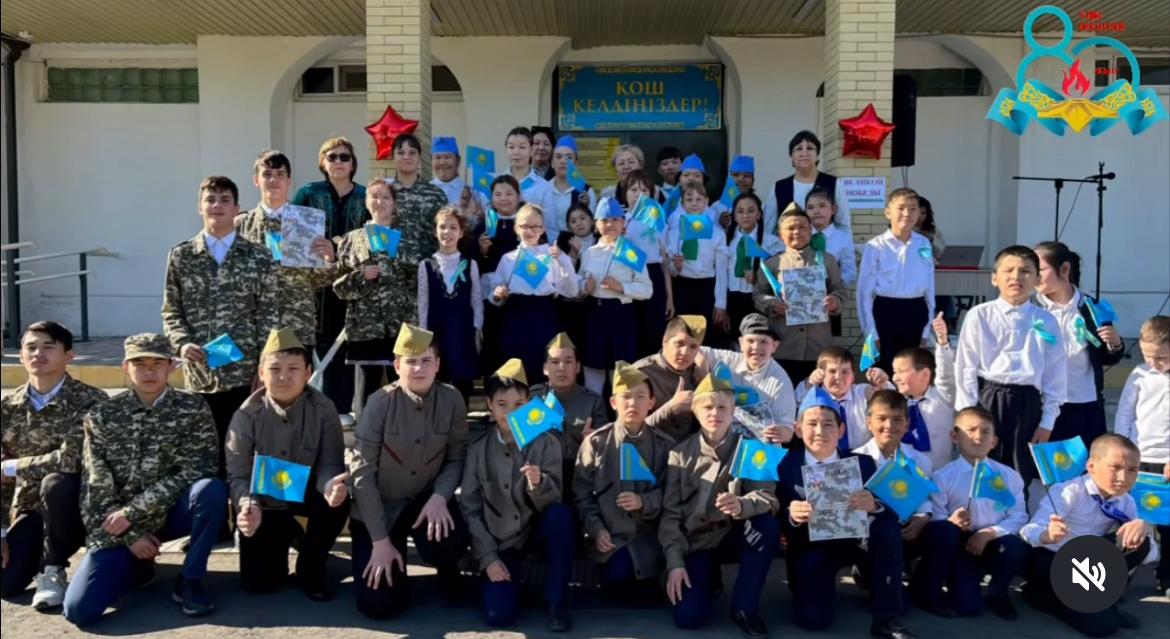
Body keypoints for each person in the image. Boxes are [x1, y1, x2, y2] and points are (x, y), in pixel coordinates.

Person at [62, 334, 226, 626]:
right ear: (126, 367)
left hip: (170, 514)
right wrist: (130, 535)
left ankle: (190, 579)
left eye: (157, 363)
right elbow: (95, 484)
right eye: (139, 363)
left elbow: (199, 468)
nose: (149, 371)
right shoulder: (103, 414)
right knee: (79, 611)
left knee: (210, 491)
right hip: (120, 527)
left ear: (171, 366)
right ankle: (139, 566)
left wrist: (132, 512)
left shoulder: (192, 407)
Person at [347, 323, 470, 619]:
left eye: (426, 360)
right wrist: (379, 540)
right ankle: (392, 557)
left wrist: (440, 497)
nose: (419, 368)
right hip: (381, 507)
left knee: (449, 540)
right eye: (411, 361)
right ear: (397, 366)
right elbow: (362, 475)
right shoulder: (379, 403)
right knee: (378, 605)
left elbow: (457, 457)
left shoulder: (452, 399)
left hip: (424, 501)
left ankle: (447, 570)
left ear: (438, 364)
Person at [162, 175, 279, 474]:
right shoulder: (182, 256)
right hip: (200, 374)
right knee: (204, 457)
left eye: (225, 200)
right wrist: (182, 344)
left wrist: (264, 366)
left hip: (245, 375)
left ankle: (242, 503)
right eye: (210, 200)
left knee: (244, 454)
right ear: (199, 207)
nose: (217, 205)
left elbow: (269, 316)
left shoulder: (258, 256)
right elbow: (172, 311)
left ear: (237, 208)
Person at [778, 388, 916, 639]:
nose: (820, 431)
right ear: (798, 429)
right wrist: (791, 514)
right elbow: (775, 515)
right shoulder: (784, 465)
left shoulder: (863, 463)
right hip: (812, 547)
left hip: (856, 543)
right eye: (811, 424)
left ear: (841, 430)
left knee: (885, 529)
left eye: (828, 424)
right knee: (813, 619)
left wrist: (874, 505)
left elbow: (891, 512)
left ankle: (887, 619)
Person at [225, 328, 349, 601]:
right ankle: (289, 532)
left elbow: (330, 461)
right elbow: (238, 475)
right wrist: (248, 505)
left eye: (293, 368)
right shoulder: (245, 416)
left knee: (339, 501)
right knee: (259, 584)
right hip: (266, 500)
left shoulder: (324, 409)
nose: (283, 376)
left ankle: (311, 566)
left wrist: (329, 486)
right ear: (261, 373)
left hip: (306, 489)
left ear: (307, 373)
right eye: (275, 369)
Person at [659, 374, 780, 638]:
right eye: (707, 407)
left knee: (766, 527)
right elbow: (670, 516)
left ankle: (745, 607)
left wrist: (742, 505)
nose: (715, 413)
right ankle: (708, 578)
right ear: (695, 412)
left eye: (722, 407)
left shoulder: (752, 450)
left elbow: (769, 498)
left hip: (732, 534)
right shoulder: (679, 454)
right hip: (697, 542)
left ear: (733, 411)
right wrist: (675, 563)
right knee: (688, 618)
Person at [460, 359, 574, 632]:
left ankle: (556, 602)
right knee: (497, 615)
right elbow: (470, 507)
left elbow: (553, 500)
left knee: (561, 517)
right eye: (502, 404)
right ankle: (508, 584)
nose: (510, 413)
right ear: (489, 404)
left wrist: (539, 482)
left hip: (535, 531)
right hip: (502, 540)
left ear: (529, 404)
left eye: (518, 404)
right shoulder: (478, 450)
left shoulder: (545, 442)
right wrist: (488, 557)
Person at [1, 321, 105, 608]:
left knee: (56, 482)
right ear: (20, 356)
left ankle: (52, 568)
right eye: (31, 348)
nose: (38, 354)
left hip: (80, 507)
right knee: (6, 584)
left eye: (48, 347)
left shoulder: (92, 401)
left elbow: (70, 459)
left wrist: (11, 467)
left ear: (69, 355)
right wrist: (1, 532)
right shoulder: (7, 407)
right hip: (32, 508)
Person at [1020, 434, 1158, 636]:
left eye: (1132, 470)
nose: (1123, 478)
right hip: (1053, 562)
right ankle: (1042, 596)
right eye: (1115, 467)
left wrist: (1143, 527)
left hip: (1085, 563)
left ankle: (1103, 601)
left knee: (1139, 540)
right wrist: (1047, 535)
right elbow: (1027, 531)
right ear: (1091, 466)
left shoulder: (1125, 501)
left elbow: (1149, 555)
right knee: (1104, 626)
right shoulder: (1068, 491)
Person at [954, 245, 1067, 486]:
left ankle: (1017, 511)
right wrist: (966, 414)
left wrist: (1047, 422)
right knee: (981, 471)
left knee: (1018, 473)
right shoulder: (979, 315)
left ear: (1037, 279)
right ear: (995, 278)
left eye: (1025, 271)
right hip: (988, 397)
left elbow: (1055, 375)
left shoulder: (1046, 320)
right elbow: (965, 367)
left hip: (1027, 402)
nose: (1016, 277)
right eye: (1008, 270)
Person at [912, 406, 1028, 620]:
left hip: (993, 542)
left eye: (985, 432)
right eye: (971, 430)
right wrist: (951, 521)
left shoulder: (1008, 476)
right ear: (955, 437)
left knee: (1014, 546)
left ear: (993, 442)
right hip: (960, 544)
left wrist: (989, 533)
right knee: (968, 607)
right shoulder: (942, 477)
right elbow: (935, 515)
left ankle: (998, 593)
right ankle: (940, 581)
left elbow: (1019, 516)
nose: (978, 436)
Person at [574, 362, 674, 596]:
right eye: (626, 397)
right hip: (612, 537)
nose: (632, 403)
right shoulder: (596, 442)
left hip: (648, 537)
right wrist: (597, 529)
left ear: (651, 403)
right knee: (617, 578)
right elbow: (581, 494)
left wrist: (644, 502)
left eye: (640, 397)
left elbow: (672, 495)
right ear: (613, 402)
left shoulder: (665, 446)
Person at [292, 136, 370, 413]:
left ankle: (343, 411)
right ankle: (318, 412)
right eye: (332, 157)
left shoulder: (365, 197)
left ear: (353, 164)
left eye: (344, 157)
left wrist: (338, 251)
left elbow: (372, 241)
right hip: (317, 289)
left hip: (354, 287)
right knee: (319, 350)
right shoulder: (308, 193)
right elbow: (294, 237)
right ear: (322, 162)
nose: (338, 162)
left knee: (348, 349)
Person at [235, 150, 339, 349]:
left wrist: (330, 260)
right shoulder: (241, 225)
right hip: (253, 329)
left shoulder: (307, 221)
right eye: (267, 174)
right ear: (256, 180)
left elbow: (318, 279)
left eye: (280, 174)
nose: (273, 180)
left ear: (289, 180)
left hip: (296, 324)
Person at [1033, 241, 1125, 449]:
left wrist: (1115, 344)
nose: (1034, 277)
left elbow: (1107, 357)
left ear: (1065, 269)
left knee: (1087, 463)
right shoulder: (1031, 309)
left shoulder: (1092, 307)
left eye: (1040, 270)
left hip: (1085, 403)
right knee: (1046, 465)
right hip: (1044, 405)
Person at [333, 178, 416, 403]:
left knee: (402, 386)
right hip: (365, 327)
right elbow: (338, 287)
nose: (380, 202)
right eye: (374, 197)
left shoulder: (408, 239)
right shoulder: (351, 240)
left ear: (394, 203)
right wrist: (361, 276)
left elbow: (417, 283)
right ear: (366, 201)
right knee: (368, 390)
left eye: (386, 197)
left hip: (400, 326)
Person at [753, 205, 845, 385]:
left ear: (810, 231)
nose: (797, 232)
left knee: (816, 394)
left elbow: (840, 290)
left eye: (802, 227)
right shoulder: (771, 264)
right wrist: (771, 304)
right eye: (791, 228)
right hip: (784, 344)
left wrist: (834, 301)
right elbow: (758, 295)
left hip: (818, 345)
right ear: (780, 235)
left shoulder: (827, 260)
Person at [488, 203, 579, 384]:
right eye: (524, 226)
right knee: (516, 366)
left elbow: (572, 291)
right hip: (516, 315)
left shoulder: (553, 256)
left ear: (543, 228)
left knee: (543, 366)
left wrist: (564, 260)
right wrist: (498, 294)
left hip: (544, 314)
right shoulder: (508, 258)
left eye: (535, 226)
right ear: (516, 228)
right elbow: (494, 293)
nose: (530, 231)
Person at [1114, 315, 1170, 596]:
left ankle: (1166, 575)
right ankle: (1124, 572)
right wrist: (1124, 449)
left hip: (1167, 462)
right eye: (1148, 355)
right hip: (1139, 459)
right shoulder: (1139, 374)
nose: (1153, 362)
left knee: (1168, 523)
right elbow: (1125, 412)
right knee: (1134, 517)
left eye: (1161, 358)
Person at [577, 197, 653, 393]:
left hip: (621, 315)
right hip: (595, 314)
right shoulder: (589, 253)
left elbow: (647, 289)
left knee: (620, 373)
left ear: (623, 222)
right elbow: (579, 284)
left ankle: (619, 411)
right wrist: (585, 286)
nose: (609, 224)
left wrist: (621, 286)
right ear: (596, 224)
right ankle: (593, 410)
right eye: (604, 220)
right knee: (593, 369)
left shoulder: (632, 253)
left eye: (615, 220)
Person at [852, 390, 934, 570]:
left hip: (907, 531)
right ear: (869, 422)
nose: (889, 426)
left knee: (941, 532)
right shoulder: (854, 460)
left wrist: (922, 517)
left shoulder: (920, 461)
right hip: (871, 537)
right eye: (881, 419)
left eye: (897, 419)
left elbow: (924, 498)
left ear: (907, 424)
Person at [858, 188, 936, 374]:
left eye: (913, 209)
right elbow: (864, 292)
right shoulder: (875, 246)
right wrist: (871, 332)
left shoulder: (923, 243)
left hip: (916, 311)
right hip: (886, 311)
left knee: (912, 369)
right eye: (901, 208)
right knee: (886, 369)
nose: (907, 213)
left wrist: (927, 329)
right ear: (888, 212)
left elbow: (929, 285)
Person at [694, 313, 797, 445]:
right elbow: (695, 349)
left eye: (763, 342)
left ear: (774, 346)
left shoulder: (780, 381)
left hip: (758, 449)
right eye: (750, 341)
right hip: (723, 442)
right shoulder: (727, 359)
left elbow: (788, 430)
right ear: (741, 343)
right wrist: (702, 367)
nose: (756, 347)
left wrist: (779, 432)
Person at [530, 333, 609, 500]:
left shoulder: (593, 401)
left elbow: (607, 445)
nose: (561, 368)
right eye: (555, 362)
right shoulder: (532, 400)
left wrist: (594, 440)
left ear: (578, 367)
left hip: (581, 475)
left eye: (568, 362)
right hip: (543, 477)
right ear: (545, 368)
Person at [417, 205, 483, 402]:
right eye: (443, 227)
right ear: (435, 231)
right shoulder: (426, 265)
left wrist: (477, 328)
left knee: (461, 378)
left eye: (453, 227)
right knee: (439, 377)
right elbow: (423, 302)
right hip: (436, 331)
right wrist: (424, 335)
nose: (448, 232)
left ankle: (461, 417)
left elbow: (476, 300)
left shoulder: (470, 264)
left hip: (463, 331)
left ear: (461, 232)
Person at [795, 347, 891, 454]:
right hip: (826, 456)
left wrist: (883, 386)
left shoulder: (862, 393)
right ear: (821, 374)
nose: (838, 377)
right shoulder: (814, 395)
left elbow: (893, 402)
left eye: (845, 372)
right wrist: (810, 383)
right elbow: (797, 400)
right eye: (832, 371)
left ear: (853, 376)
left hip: (863, 455)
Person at [473, 174, 524, 376]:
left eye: (509, 193)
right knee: (493, 339)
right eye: (498, 194)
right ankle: (493, 386)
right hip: (491, 293)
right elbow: (472, 262)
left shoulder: (528, 222)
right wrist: (481, 250)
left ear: (518, 196)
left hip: (520, 289)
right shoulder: (484, 225)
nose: (504, 198)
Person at [621, 169, 675, 359]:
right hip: (626, 276)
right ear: (625, 193)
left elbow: (664, 261)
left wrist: (669, 297)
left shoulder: (658, 222)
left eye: (644, 190)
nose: (639, 194)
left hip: (653, 275)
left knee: (653, 334)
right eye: (634, 190)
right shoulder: (619, 220)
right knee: (630, 335)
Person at [717, 192, 782, 344]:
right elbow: (721, 275)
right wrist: (721, 306)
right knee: (735, 343)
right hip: (733, 299)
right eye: (740, 211)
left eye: (751, 211)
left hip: (758, 300)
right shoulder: (726, 239)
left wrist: (759, 277)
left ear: (759, 214)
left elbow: (780, 273)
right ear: (734, 216)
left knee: (758, 342)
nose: (745, 215)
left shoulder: (771, 242)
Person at [763, 130, 852, 238]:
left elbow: (843, 225)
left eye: (810, 148)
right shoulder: (780, 187)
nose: (804, 153)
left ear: (817, 155)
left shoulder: (833, 184)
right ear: (791, 156)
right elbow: (768, 229)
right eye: (799, 149)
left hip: (827, 246)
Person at [635, 315, 709, 442]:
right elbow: (632, 432)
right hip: (651, 447)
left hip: (689, 446)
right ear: (665, 341)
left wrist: (705, 381)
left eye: (693, 347)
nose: (685, 352)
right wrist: (671, 408)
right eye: (679, 344)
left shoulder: (697, 371)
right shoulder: (640, 374)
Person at [667, 182, 722, 345]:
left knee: (705, 335)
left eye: (699, 199)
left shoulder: (716, 233)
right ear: (682, 203)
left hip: (707, 287)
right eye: (689, 199)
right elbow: (670, 269)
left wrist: (721, 304)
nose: (694, 203)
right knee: (683, 332)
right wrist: (676, 266)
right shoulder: (675, 232)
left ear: (706, 202)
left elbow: (721, 270)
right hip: (683, 286)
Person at [891, 338, 958, 471]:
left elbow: (946, 376)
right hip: (904, 476)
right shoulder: (897, 401)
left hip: (939, 473)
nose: (895, 378)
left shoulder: (943, 397)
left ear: (924, 375)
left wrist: (943, 344)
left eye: (901, 371)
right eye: (894, 372)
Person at [501, 127, 559, 236]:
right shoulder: (497, 183)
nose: (516, 152)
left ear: (531, 150)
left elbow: (551, 228)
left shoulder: (543, 187)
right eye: (511, 147)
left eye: (522, 147)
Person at [429, 135, 489, 221]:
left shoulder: (474, 192)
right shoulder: (425, 191)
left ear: (458, 160)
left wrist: (480, 214)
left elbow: (491, 221)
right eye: (438, 158)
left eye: (447, 157)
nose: (442, 162)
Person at [548, 135, 598, 232]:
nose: (563, 161)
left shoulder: (586, 191)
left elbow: (592, 226)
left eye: (569, 157)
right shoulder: (543, 189)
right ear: (552, 163)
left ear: (576, 163)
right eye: (558, 157)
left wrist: (585, 208)